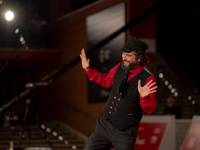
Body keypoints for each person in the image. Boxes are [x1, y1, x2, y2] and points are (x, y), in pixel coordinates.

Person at [80, 35, 158, 150]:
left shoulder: (148, 78)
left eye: (128, 55)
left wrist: (143, 97)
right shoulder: (119, 67)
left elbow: (149, 109)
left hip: (125, 133)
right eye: (123, 54)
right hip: (104, 126)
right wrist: (88, 69)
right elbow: (106, 81)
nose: (124, 58)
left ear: (139, 58)